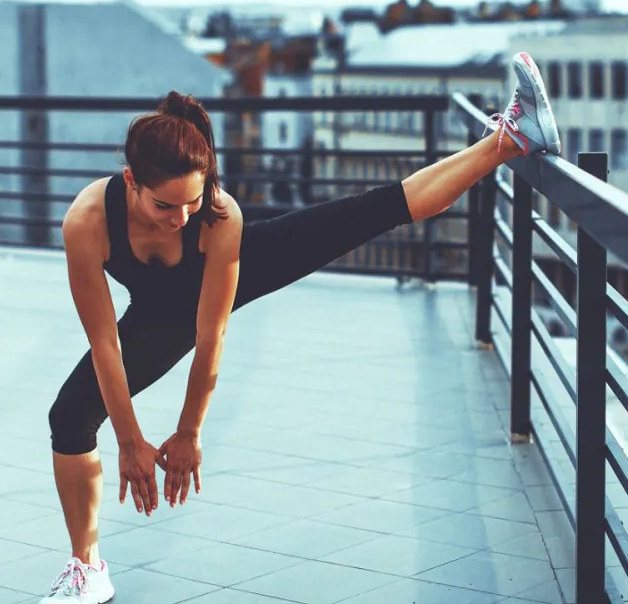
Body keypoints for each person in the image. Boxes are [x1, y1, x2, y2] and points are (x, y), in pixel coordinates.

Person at [38, 52, 561, 603]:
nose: (180, 218)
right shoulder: (88, 221)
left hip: (232, 269)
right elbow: (104, 343)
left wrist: (190, 433)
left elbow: (211, 335)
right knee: (70, 416)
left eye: (192, 201)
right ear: (131, 182)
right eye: (166, 206)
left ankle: (508, 140)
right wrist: (130, 439)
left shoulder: (218, 216)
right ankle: (87, 569)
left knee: (372, 208)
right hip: (155, 314)